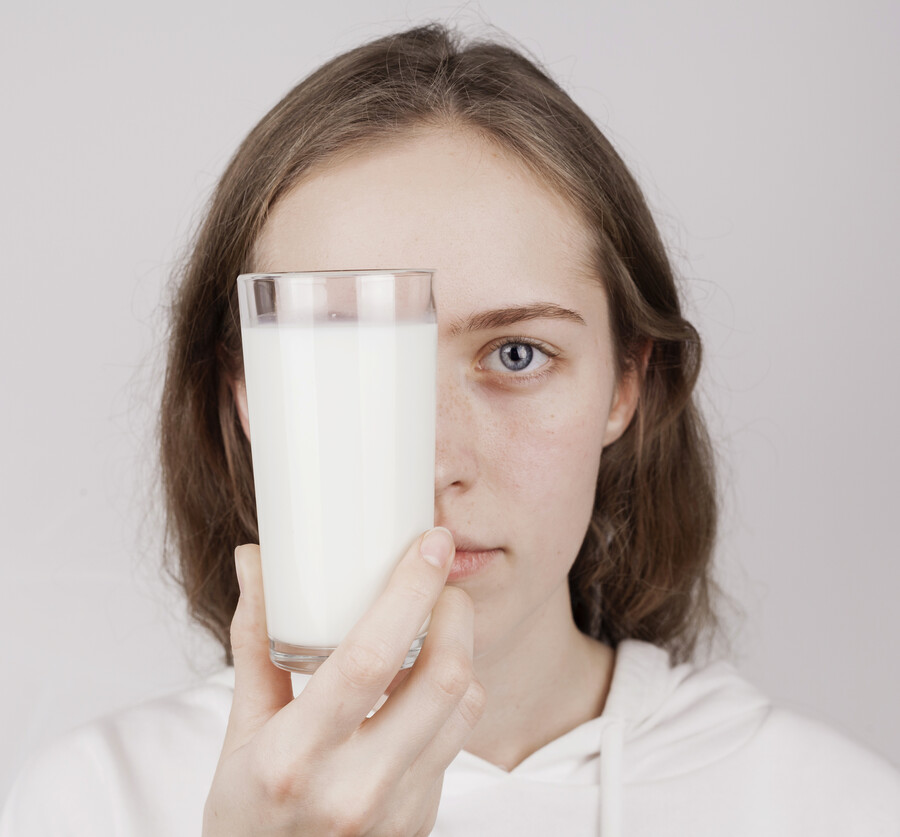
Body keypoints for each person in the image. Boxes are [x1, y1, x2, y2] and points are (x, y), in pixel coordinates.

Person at [2, 22, 898, 837]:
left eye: (517, 354)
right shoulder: (91, 805)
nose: (433, 465)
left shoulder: (834, 810)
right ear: (248, 398)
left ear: (628, 384)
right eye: (346, 367)